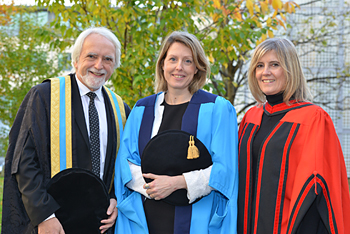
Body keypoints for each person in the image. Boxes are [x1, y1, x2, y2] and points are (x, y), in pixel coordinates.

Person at [1, 27, 131, 234]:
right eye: (91, 56)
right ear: (76, 59)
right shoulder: (44, 96)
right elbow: (24, 162)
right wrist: (44, 216)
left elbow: (125, 165)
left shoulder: (120, 108)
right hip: (53, 222)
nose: (99, 65)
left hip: (99, 223)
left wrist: (116, 199)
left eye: (108, 59)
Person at [114, 31, 238, 234]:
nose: (179, 67)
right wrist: (154, 187)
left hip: (198, 219)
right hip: (146, 217)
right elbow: (126, 164)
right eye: (173, 59)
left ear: (197, 68)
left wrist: (177, 183)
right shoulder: (142, 109)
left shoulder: (217, 109)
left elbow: (225, 169)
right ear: (163, 64)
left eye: (187, 61)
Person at [237, 38, 350, 234]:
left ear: (290, 69)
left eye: (275, 65)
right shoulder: (250, 117)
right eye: (260, 66)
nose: (266, 72)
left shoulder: (313, 118)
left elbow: (327, 187)